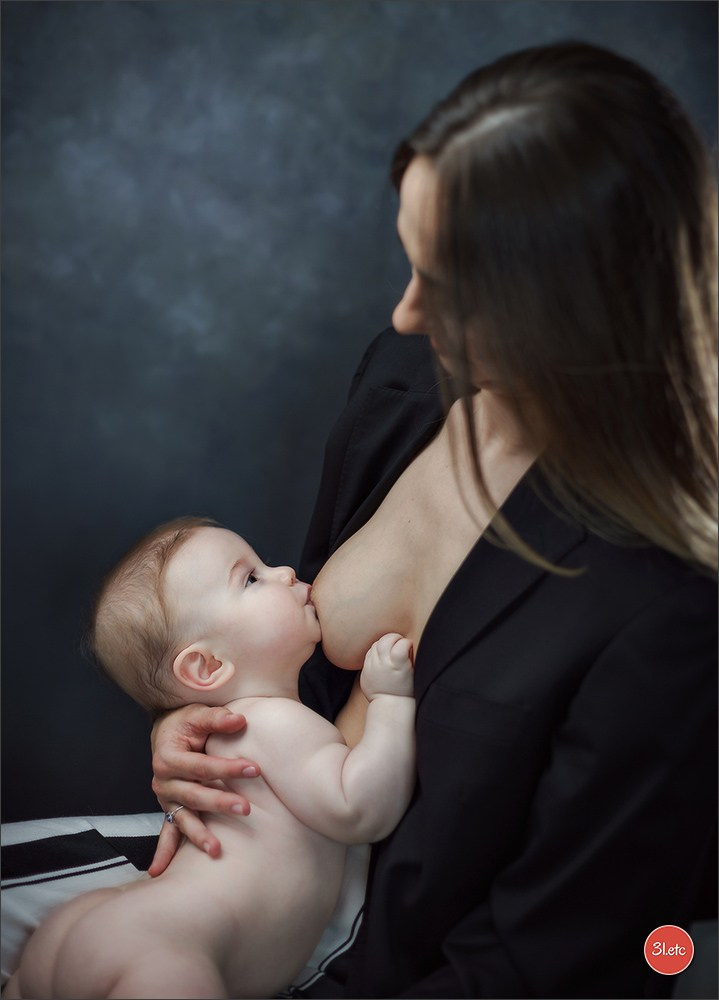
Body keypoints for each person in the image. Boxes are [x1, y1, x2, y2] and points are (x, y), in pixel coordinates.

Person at [150, 40, 717, 998]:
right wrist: (212, 735)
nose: (405, 314)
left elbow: (555, 958)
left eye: (447, 291)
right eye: (410, 264)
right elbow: (298, 674)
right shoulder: (405, 386)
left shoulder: (668, 599)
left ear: (577, 309)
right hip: (252, 880)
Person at [4, 517, 416, 1000]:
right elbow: (361, 809)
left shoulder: (230, 734)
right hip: (168, 948)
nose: (284, 571)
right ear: (208, 666)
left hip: (93, 924)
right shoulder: (278, 723)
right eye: (251, 578)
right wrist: (391, 701)